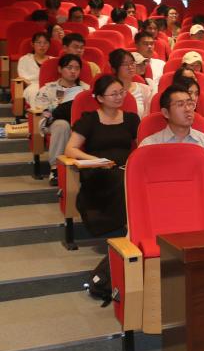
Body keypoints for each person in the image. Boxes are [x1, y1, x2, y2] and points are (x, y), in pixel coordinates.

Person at [139, 84, 204, 225]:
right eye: (180, 105)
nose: (188, 109)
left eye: (190, 104)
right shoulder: (149, 146)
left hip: (203, 202)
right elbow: (142, 187)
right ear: (166, 113)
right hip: (166, 205)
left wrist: (203, 202)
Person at [63, 75, 141, 235]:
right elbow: (70, 149)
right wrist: (96, 160)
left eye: (122, 92)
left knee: (131, 177)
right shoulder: (90, 120)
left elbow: (142, 146)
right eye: (114, 94)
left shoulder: (131, 119)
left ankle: (133, 227)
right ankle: (129, 228)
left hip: (125, 168)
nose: (119, 97)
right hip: (98, 170)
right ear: (100, 98)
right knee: (123, 180)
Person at [34, 54, 89, 184]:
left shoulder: (86, 89)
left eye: (77, 68)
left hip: (79, 123)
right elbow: (42, 111)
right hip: (53, 123)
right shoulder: (48, 89)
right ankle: (55, 169)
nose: (73, 71)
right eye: (69, 67)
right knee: (62, 125)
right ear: (60, 69)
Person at [109, 48, 152, 117]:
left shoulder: (145, 89)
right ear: (114, 69)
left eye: (132, 63)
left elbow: (147, 117)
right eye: (125, 64)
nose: (130, 67)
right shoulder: (108, 92)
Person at [17, 31, 50, 106]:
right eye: (39, 42)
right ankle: (37, 112)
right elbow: (22, 77)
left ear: (49, 45)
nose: (42, 45)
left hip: (50, 86)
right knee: (35, 92)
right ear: (32, 44)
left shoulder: (53, 60)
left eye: (45, 43)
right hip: (32, 86)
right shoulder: (24, 59)